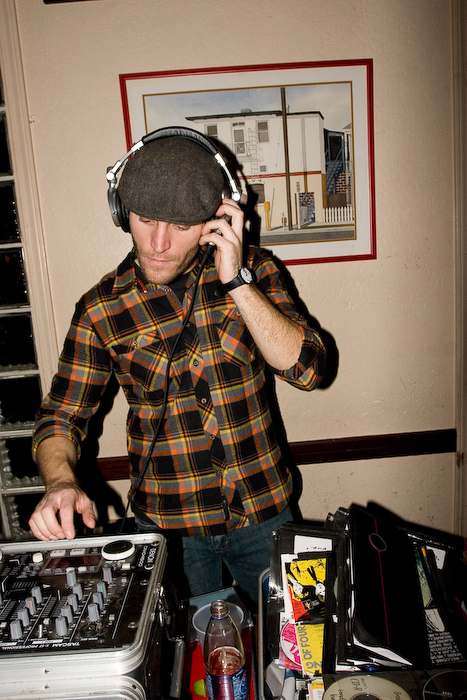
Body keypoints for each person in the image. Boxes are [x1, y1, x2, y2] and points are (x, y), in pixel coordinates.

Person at [29, 130, 326, 608]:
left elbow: (308, 370)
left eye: (182, 225)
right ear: (121, 212)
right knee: (184, 653)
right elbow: (60, 418)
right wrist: (61, 482)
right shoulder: (101, 309)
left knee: (296, 642)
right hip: (169, 532)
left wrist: (238, 283)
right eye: (145, 220)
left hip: (265, 514)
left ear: (216, 220)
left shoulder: (256, 272)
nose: (159, 243)